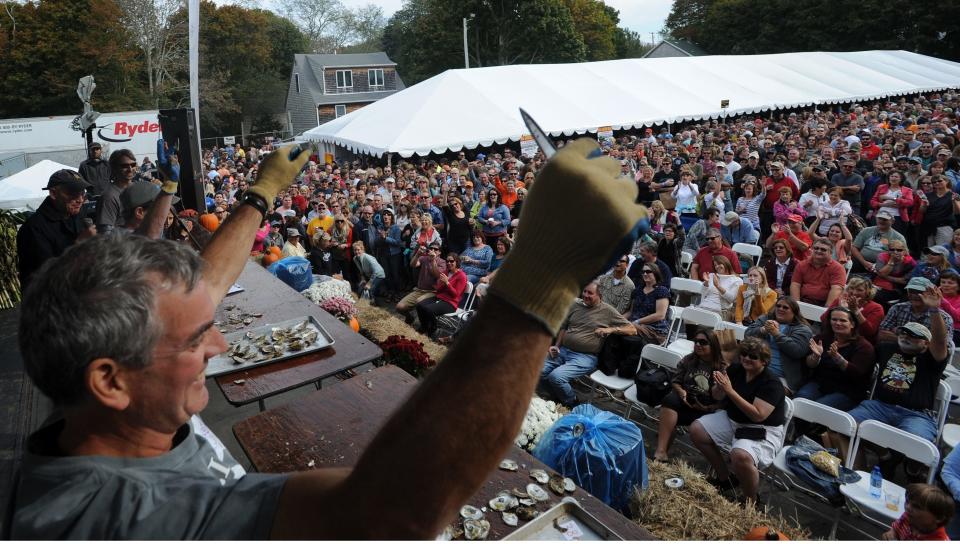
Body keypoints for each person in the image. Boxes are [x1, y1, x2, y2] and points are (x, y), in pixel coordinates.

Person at [11, 139, 649, 539]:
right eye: (196, 340)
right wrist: (541, 282)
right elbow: (384, 518)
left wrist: (261, 196)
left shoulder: (103, 417)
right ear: (110, 380)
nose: (219, 347)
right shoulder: (115, 521)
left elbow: (193, 295)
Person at [690, 337, 787, 504]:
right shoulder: (736, 369)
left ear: (764, 361)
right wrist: (720, 386)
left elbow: (757, 415)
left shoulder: (772, 384)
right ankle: (725, 478)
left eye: (753, 356)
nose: (747, 358)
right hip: (734, 419)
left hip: (762, 429)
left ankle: (751, 499)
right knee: (697, 430)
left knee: (740, 455)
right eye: (744, 354)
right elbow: (716, 395)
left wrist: (730, 390)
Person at [539, 282, 636, 408]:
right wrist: (556, 345)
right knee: (538, 372)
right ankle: (555, 398)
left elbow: (632, 329)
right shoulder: (575, 305)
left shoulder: (607, 311)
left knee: (556, 377)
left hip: (585, 356)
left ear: (599, 295)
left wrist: (611, 330)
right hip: (562, 350)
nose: (585, 295)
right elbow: (564, 326)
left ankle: (571, 402)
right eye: (584, 291)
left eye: (590, 293)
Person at [653, 330, 726, 462]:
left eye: (703, 342)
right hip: (685, 402)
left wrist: (708, 407)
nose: (698, 344)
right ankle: (661, 452)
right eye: (696, 341)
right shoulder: (689, 360)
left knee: (669, 417)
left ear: (713, 345)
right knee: (670, 399)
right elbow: (675, 381)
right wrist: (682, 392)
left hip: (706, 410)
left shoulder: (722, 367)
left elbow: (725, 400)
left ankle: (660, 455)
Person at [15, 170, 93, 288]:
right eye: (73, 193)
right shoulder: (34, 229)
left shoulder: (76, 216)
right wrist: (79, 245)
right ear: (54, 194)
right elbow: (46, 275)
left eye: (82, 193)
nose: (80, 199)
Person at [797, 307, 876, 410]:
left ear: (852, 324)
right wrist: (815, 357)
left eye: (843, 320)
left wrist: (837, 357)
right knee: (801, 399)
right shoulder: (822, 339)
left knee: (819, 408)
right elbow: (809, 365)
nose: (837, 323)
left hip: (847, 391)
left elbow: (857, 374)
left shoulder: (864, 347)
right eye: (834, 319)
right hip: (821, 383)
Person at [745, 296, 813, 394]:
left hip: (782, 377)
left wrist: (776, 334)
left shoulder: (803, 329)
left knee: (765, 391)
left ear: (794, 312)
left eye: (785, 307)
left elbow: (797, 351)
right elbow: (747, 334)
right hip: (755, 368)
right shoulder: (766, 318)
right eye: (778, 306)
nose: (780, 309)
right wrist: (763, 330)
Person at [878, 277, 954, 347]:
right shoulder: (897, 308)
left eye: (919, 292)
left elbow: (943, 346)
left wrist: (899, 334)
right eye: (911, 291)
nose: (914, 295)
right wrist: (917, 341)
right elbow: (882, 334)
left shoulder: (944, 318)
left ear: (931, 293)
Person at [414, 253, 468, 337]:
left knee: (428, 310)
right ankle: (424, 327)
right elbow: (439, 289)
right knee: (419, 305)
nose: (449, 263)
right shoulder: (446, 272)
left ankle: (433, 329)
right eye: (447, 261)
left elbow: (455, 295)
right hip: (440, 297)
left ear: (457, 262)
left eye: (451, 261)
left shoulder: (462, 276)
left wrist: (447, 283)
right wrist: (440, 284)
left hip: (451, 303)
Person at [822, 276, 885, 342]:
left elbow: (869, 332)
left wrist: (856, 310)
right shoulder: (840, 301)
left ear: (868, 292)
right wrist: (841, 309)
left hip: (858, 342)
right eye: (851, 288)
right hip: (834, 338)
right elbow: (824, 319)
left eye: (859, 290)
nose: (854, 293)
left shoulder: (876, 308)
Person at [396, 241, 446, 325]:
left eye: (435, 249)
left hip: (433, 292)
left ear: (439, 252)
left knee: (419, 302)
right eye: (431, 248)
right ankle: (410, 317)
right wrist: (418, 254)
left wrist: (433, 260)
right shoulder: (424, 258)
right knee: (399, 307)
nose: (433, 250)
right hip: (419, 290)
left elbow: (437, 275)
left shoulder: (442, 262)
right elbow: (413, 265)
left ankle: (424, 324)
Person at [883, 483, 954, 541]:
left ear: (939, 517)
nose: (908, 507)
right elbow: (895, 530)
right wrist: (891, 534)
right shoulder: (908, 517)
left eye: (917, 507)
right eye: (907, 502)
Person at [789, 238, 846, 306]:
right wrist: (796, 305)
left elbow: (836, 289)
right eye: (816, 248)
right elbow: (795, 284)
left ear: (830, 253)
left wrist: (826, 310)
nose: (819, 251)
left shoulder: (838, 268)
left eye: (823, 249)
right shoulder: (801, 264)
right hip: (802, 300)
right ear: (812, 250)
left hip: (824, 303)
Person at [625, 264, 671, 345]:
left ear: (656, 273)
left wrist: (638, 321)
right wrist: (618, 319)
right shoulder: (637, 291)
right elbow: (631, 312)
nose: (645, 274)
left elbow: (660, 315)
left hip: (654, 329)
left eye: (648, 271)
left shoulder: (661, 291)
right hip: (634, 324)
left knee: (627, 328)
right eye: (643, 272)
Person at [95, 149, 138, 234]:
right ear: (114, 168)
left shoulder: (139, 189)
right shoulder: (109, 197)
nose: (130, 169)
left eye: (133, 165)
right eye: (124, 166)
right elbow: (105, 234)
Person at [852, 209, 908, 274]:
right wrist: (864, 262)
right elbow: (854, 247)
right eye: (879, 218)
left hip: (884, 264)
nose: (881, 221)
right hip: (861, 260)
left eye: (885, 219)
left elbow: (905, 253)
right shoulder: (866, 230)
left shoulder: (898, 237)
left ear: (892, 221)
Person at [697, 255, 743, 322]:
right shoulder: (711, 275)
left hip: (720, 311)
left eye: (719, 264)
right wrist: (706, 283)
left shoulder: (737, 280)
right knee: (688, 314)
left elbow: (731, 299)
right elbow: (703, 294)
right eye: (715, 265)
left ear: (726, 263)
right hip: (704, 306)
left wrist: (718, 286)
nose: (717, 267)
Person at [937, 270, 960, 346]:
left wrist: (942, 300)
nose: (945, 285)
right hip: (935, 328)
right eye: (943, 282)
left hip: (955, 332)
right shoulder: (934, 296)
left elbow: (957, 317)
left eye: (950, 283)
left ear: (958, 286)